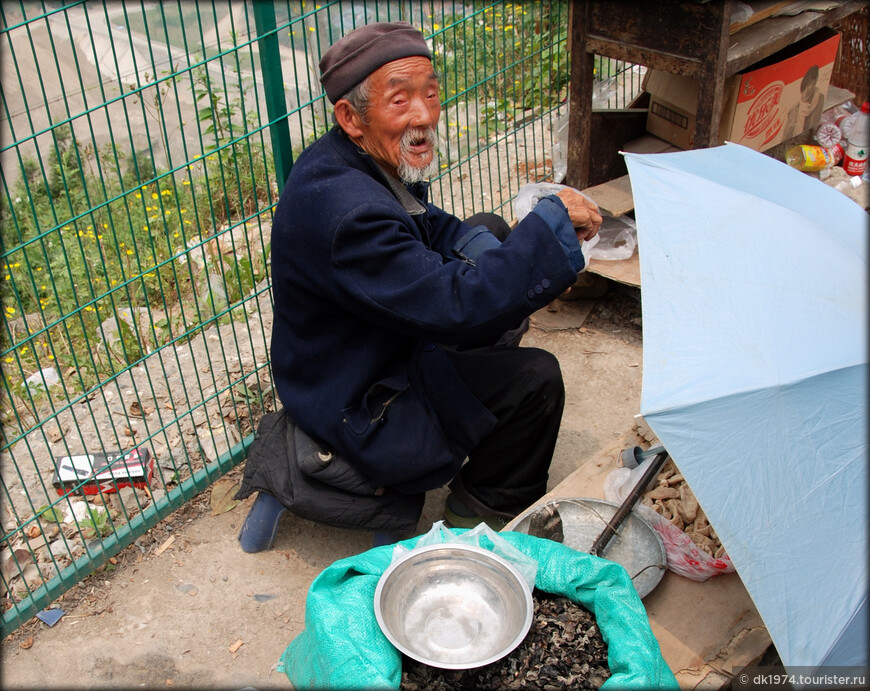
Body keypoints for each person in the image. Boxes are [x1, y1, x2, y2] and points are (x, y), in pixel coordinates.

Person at [235, 21, 601, 551]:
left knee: (490, 234)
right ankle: (476, 507)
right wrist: (543, 243)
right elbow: (458, 306)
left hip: (355, 345)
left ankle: (476, 387)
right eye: (400, 100)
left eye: (429, 93)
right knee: (537, 380)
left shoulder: (346, 157)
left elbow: (431, 223)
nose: (424, 115)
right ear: (351, 117)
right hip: (357, 395)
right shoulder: (349, 213)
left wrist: (526, 256)